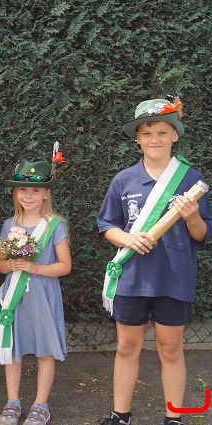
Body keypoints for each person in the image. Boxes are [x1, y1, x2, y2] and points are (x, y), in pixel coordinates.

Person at [96, 97, 211, 425]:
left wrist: (191, 217)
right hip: (132, 277)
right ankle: (120, 414)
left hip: (174, 278)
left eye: (162, 132)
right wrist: (128, 239)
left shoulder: (190, 179)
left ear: (175, 135)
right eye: (147, 133)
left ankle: (174, 417)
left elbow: (203, 233)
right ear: (138, 138)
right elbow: (107, 225)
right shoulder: (124, 179)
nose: (155, 139)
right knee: (126, 346)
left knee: (170, 348)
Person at [0, 157, 72, 425]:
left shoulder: (54, 225)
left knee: (44, 351)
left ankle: (41, 405)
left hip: (42, 295)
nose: (28, 195)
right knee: (13, 348)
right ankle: (12, 402)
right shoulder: (9, 225)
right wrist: (11, 265)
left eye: (36, 190)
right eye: (22, 189)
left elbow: (65, 266)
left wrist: (34, 268)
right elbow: (0, 264)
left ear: (46, 193)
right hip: (15, 297)